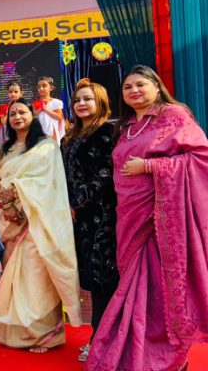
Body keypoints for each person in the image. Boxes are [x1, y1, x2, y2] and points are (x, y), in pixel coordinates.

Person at [85, 65, 208, 371]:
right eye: (128, 87)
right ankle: (136, 348)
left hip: (160, 220)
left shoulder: (173, 115)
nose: (134, 91)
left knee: (158, 289)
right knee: (135, 288)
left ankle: (168, 355)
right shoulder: (125, 126)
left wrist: (151, 167)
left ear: (156, 85)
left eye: (140, 84)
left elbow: (200, 157)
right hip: (128, 218)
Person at [0, 99, 82, 353]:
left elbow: (48, 184)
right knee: (13, 275)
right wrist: (6, 205)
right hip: (10, 220)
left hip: (36, 220)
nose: (17, 117)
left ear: (32, 114)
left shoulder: (47, 146)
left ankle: (45, 335)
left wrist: (18, 198)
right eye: (12, 114)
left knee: (36, 276)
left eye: (22, 112)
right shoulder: (5, 149)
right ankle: (17, 331)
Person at [60, 80, 118, 362]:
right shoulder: (69, 137)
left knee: (104, 279)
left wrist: (76, 200)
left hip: (105, 217)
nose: (81, 104)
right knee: (93, 282)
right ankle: (101, 338)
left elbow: (107, 173)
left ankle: (102, 341)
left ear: (100, 102)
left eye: (88, 99)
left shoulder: (108, 131)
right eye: (77, 100)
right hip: (79, 221)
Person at [32, 77, 66, 144]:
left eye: (44, 86)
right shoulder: (34, 104)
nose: (41, 88)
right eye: (39, 87)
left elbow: (59, 117)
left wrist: (46, 109)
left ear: (51, 88)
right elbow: (32, 119)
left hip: (52, 134)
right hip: (39, 133)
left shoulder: (56, 102)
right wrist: (39, 110)